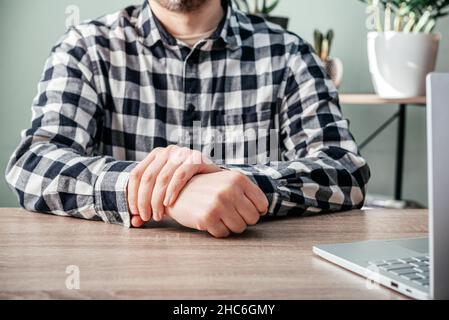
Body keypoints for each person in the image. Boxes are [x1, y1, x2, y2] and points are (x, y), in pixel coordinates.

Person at [5, 0, 370, 238]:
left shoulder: (288, 54)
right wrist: (156, 192)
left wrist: (240, 186)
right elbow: (32, 164)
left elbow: (344, 170)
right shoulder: (85, 48)